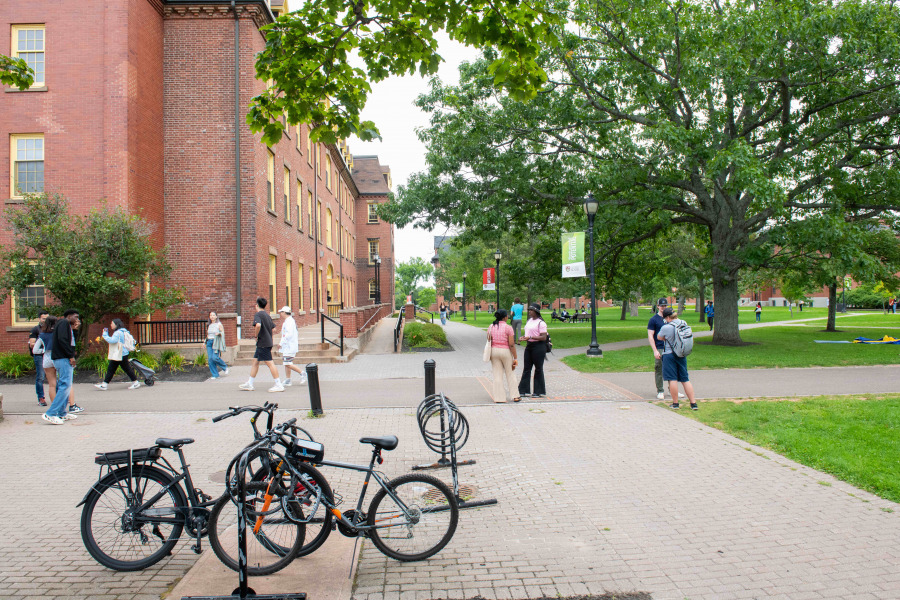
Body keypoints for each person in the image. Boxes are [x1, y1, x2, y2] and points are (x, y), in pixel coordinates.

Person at [239, 297, 284, 392]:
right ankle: (250, 384)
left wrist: (256, 335)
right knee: (255, 362)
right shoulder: (267, 315)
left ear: (256, 305)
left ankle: (278, 384)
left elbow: (258, 325)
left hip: (263, 342)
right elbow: (274, 328)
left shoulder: (258, 315)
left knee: (270, 363)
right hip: (266, 342)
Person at [657, 307, 698, 410]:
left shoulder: (666, 327)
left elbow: (659, 337)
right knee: (685, 379)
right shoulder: (683, 323)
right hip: (681, 353)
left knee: (672, 379)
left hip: (669, 354)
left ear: (667, 317)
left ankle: (675, 403)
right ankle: (693, 403)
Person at [43, 309, 79, 425]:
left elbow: (69, 341)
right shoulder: (63, 323)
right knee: (65, 385)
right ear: (69, 316)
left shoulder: (66, 325)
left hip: (62, 358)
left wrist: (74, 329)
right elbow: (62, 340)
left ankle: (61, 413)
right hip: (63, 358)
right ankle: (51, 413)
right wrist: (71, 356)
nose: (77, 319)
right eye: (76, 317)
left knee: (65, 385)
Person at [95, 318, 140, 390]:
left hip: (119, 354)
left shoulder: (117, 333)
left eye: (112, 324)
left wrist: (105, 334)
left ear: (116, 324)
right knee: (116, 368)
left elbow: (112, 341)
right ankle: (105, 384)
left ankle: (135, 382)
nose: (111, 325)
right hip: (123, 353)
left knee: (117, 369)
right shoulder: (123, 331)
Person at [487, 309, 519, 403]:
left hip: (494, 351)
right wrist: (515, 357)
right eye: (507, 316)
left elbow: (488, 338)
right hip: (505, 351)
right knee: (510, 373)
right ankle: (515, 396)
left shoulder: (491, 326)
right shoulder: (508, 328)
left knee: (497, 374)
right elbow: (511, 344)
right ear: (505, 317)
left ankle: (499, 398)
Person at [517, 304, 548, 399]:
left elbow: (543, 337)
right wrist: (524, 337)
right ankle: (523, 390)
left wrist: (530, 337)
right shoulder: (529, 321)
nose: (529, 311)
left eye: (531, 310)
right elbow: (528, 333)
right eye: (529, 310)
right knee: (527, 368)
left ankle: (538, 391)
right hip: (529, 345)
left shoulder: (541, 323)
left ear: (536, 311)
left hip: (538, 346)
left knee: (538, 368)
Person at [278, 306, 307, 386]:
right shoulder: (289, 321)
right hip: (288, 346)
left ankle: (302, 373)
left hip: (289, 346)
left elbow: (288, 334)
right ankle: (288, 379)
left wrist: (281, 343)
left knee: (287, 363)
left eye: (281, 312)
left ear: (284, 312)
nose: (280, 313)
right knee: (286, 362)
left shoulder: (289, 321)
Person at [647, 298, 668, 400]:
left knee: (671, 369)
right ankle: (660, 390)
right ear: (658, 306)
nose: (663, 307)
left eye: (665, 306)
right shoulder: (654, 320)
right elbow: (650, 335)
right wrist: (655, 350)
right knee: (659, 368)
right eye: (661, 306)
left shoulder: (669, 318)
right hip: (659, 347)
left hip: (670, 347)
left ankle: (673, 389)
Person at [28, 310, 49, 406]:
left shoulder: (52, 329)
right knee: (40, 376)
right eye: (43, 318)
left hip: (50, 355)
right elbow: (32, 344)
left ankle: (58, 397)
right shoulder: (35, 329)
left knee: (54, 377)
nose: (45, 320)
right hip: (39, 356)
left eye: (47, 318)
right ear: (39, 318)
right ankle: (41, 398)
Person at [38, 315, 57, 408]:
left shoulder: (42, 334)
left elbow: (35, 350)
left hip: (47, 357)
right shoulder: (57, 333)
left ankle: (54, 405)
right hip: (57, 357)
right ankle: (66, 402)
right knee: (63, 382)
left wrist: (42, 351)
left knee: (52, 385)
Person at [205, 311, 230, 380]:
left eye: (213, 315)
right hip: (209, 342)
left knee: (215, 357)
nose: (212, 316)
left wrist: (218, 333)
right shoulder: (208, 325)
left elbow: (222, 333)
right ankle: (215, 375)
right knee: (210, 359)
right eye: (211, 315)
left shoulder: (219, 324)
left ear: (216, 316)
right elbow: (208, 335)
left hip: (216, 342)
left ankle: (225, 367)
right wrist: (205, 342)